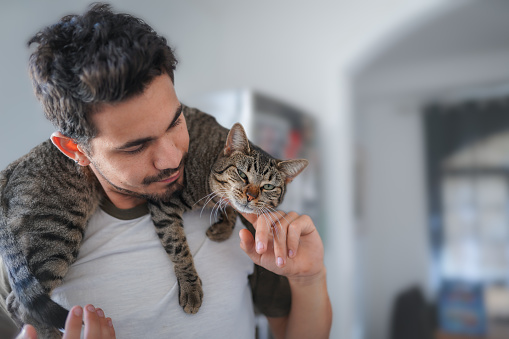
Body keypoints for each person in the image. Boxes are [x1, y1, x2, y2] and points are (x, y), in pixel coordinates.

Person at [1, 3, 332, 338]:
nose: (172, 159)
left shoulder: (243, 211)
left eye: (175, 122)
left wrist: (310, 278)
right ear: (75, 149)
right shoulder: (26, 239)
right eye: (136, 146)